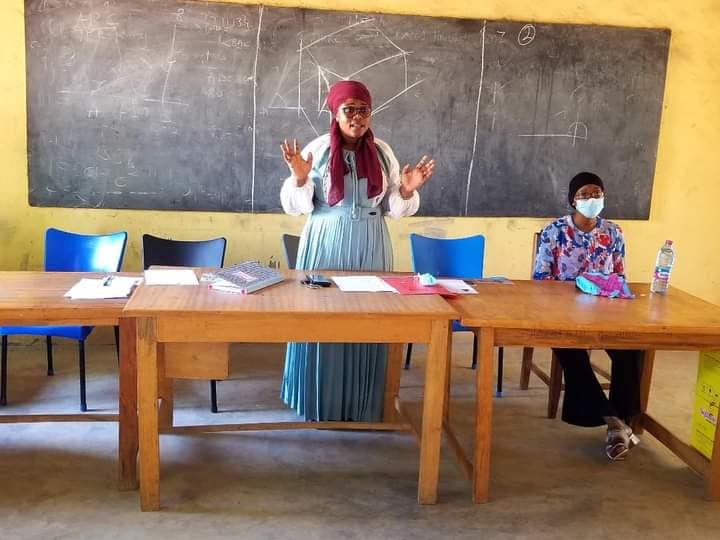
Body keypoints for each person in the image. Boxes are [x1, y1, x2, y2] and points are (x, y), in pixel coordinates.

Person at [279, 80, 435, 422]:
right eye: (349, 110)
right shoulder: (318, 150)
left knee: (370, 317)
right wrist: (300, 179)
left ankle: (363, 404)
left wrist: (407, 191)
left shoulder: (382, 152)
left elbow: (393, 207)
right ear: (335, 114)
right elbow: (294, 206)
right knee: (321, 317)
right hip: (326, 242)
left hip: (371, 242)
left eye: (363, 110)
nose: (357, 117)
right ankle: (317, 402)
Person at [533, 171, 643, 460]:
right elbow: (540, 279)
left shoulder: (613, 233)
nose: (591, 199)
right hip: (562, 313)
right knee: (572, 353)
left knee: (631, 348)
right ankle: (613, 422)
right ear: (573, 200)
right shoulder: (555, 231)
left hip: (606, 312)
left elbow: (619, 275)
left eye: (596, 193)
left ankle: (622, 421)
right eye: (584, 194)